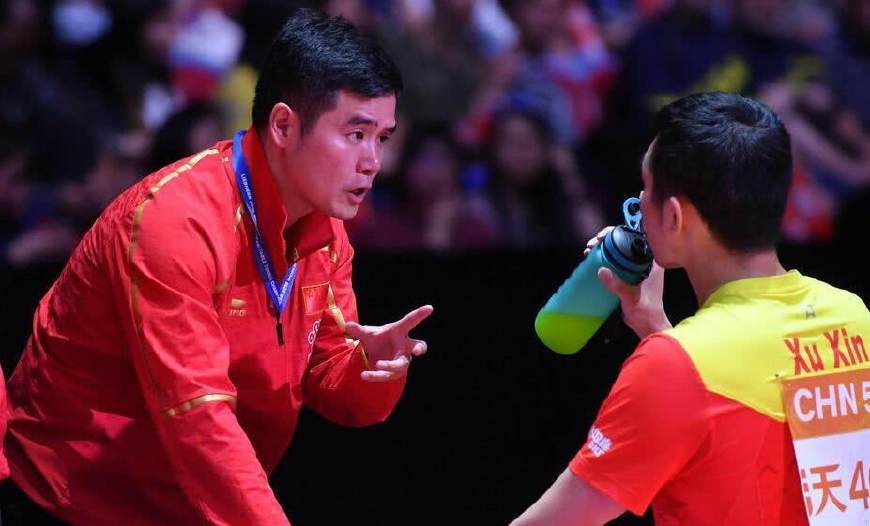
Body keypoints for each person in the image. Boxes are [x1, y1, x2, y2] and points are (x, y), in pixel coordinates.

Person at [2, 9, 432, 525]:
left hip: (185, 508)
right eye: (356, 134)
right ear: (283, 125)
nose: (373, 162)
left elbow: (331, 380)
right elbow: (197, 415)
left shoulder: (326, 230)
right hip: (69, 507)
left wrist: (372, 369)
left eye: (382, 138)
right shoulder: (174, 222)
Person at [511, 92, 870, 525]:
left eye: (646, 190)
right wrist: (655, 327)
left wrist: (667, 350)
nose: (639, 205)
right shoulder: (854, 317)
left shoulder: (674, 366)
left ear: (674, 217)